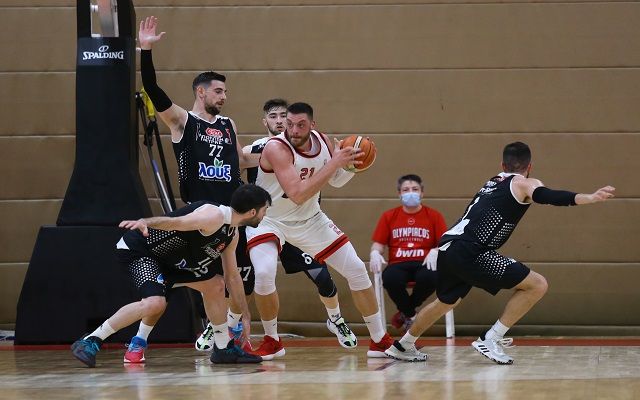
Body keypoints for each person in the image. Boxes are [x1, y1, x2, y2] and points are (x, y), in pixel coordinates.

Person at [385, 141, 615, 363]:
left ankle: (403, 345)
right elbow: (547, 195)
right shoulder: (523, 183)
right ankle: (491, 338)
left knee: (445, 302)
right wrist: (589, 198)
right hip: (471, 251)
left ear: (503, 165)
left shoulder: (492, 182)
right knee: (537, 285)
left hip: (448, 247)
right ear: (530, 166)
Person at [137, 16, 258, 352]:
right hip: (199, 217)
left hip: (231, 216)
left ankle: (235, 336)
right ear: (200, 91)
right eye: (218, 91)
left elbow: (241, 160)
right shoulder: (182, 121)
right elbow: (153, 91)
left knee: (239, 282)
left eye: (225, 91)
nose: (224, 96)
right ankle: (141, 337)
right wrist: (146, 51)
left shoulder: (229, 124)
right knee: (204, 282)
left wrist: (281, 155)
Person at [246, 102, 394, 360]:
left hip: (310, 219)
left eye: (300, 125)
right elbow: (297, 194)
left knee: (357, 270)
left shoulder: (323, 141)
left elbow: (335, 181)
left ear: (312, 125)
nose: (293, 130)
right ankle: (272, 340)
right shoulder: (276, 148)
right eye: (289, 124)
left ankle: (379, 340)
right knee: (265, 273)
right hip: (270, 220)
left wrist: (351, 166)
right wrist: (335, 162)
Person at [70, 184, 272, 367]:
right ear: (252, 212)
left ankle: (223, 348)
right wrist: (145, 221)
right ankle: (91, 340)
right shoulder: (213, 216)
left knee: (216, 285)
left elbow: (232, 277)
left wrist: (245, 315)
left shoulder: (232, 233)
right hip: (142, 251)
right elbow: (176, 222)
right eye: (264, 210)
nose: (265, 215)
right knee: (155, 303)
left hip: (174, 263)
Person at [369, 174, 447, 332]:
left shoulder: (434, 215)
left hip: (424, 262)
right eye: (405, 190)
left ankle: (405, 313)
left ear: (422, 193)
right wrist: (375, 253)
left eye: (415, 189)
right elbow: (378, 244)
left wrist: (436, 250)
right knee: (390, 278)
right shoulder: (389, 216)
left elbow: (444, 243)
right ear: (399, 194)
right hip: (398, 263)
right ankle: (410, 314)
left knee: (431, 277)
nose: (410, 192)